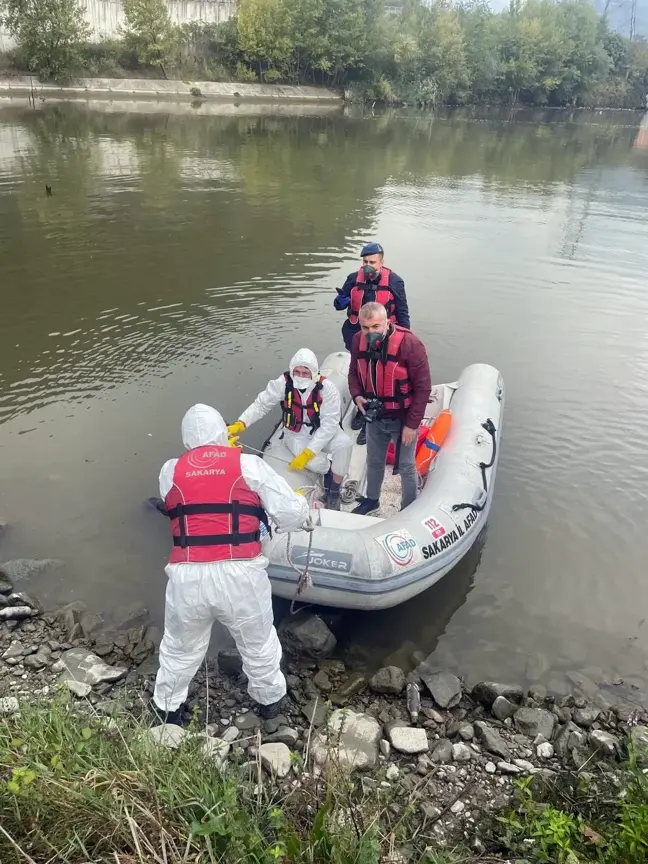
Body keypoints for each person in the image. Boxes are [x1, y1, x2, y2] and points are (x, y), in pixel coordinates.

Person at [152, 403, 311, 725]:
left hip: (187, 576)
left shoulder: (169, 470)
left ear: (187, 439)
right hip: (240, 574)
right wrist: (303, 508)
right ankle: (269, 704)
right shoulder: (249, 464)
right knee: (258, 643)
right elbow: (291, 514)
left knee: (180, 648)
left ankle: (167, 709)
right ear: (222, 433)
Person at [227, 349, 352, 510]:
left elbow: (329, 424)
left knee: (345, 444)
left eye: (305, 373)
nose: (300, 376)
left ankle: (334, 491)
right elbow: (262, 404)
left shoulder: (327, 389)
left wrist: (310, 451)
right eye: (297, 372)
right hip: (296, 434)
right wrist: (242, 423)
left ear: (313, 372)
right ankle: (327, 472)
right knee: (312, 463)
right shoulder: (283, 384)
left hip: (323, 431)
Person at [348, 303, 431, 515]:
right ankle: (372, 500)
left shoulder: (411, 345)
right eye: (365, 328)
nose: (370, 333)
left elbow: (423, 388)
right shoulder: (358, 341)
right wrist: (357, 395)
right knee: (374, 461)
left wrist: (412, 425)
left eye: (376, 326)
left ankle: (409, 507)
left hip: (403, 416)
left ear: (387, 322)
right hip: (375, 415)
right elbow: (353, 374)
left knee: (406, 466)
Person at [333, 242, 410, 352]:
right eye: (365, 262)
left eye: (372, 262)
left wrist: (405, 338)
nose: (368, 266)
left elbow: (402, 313)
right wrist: (339, 302)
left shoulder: (395, 282)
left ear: (381, 262)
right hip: (356, 331)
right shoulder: (352, 279)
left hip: (383, 332)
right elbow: (338, 306)